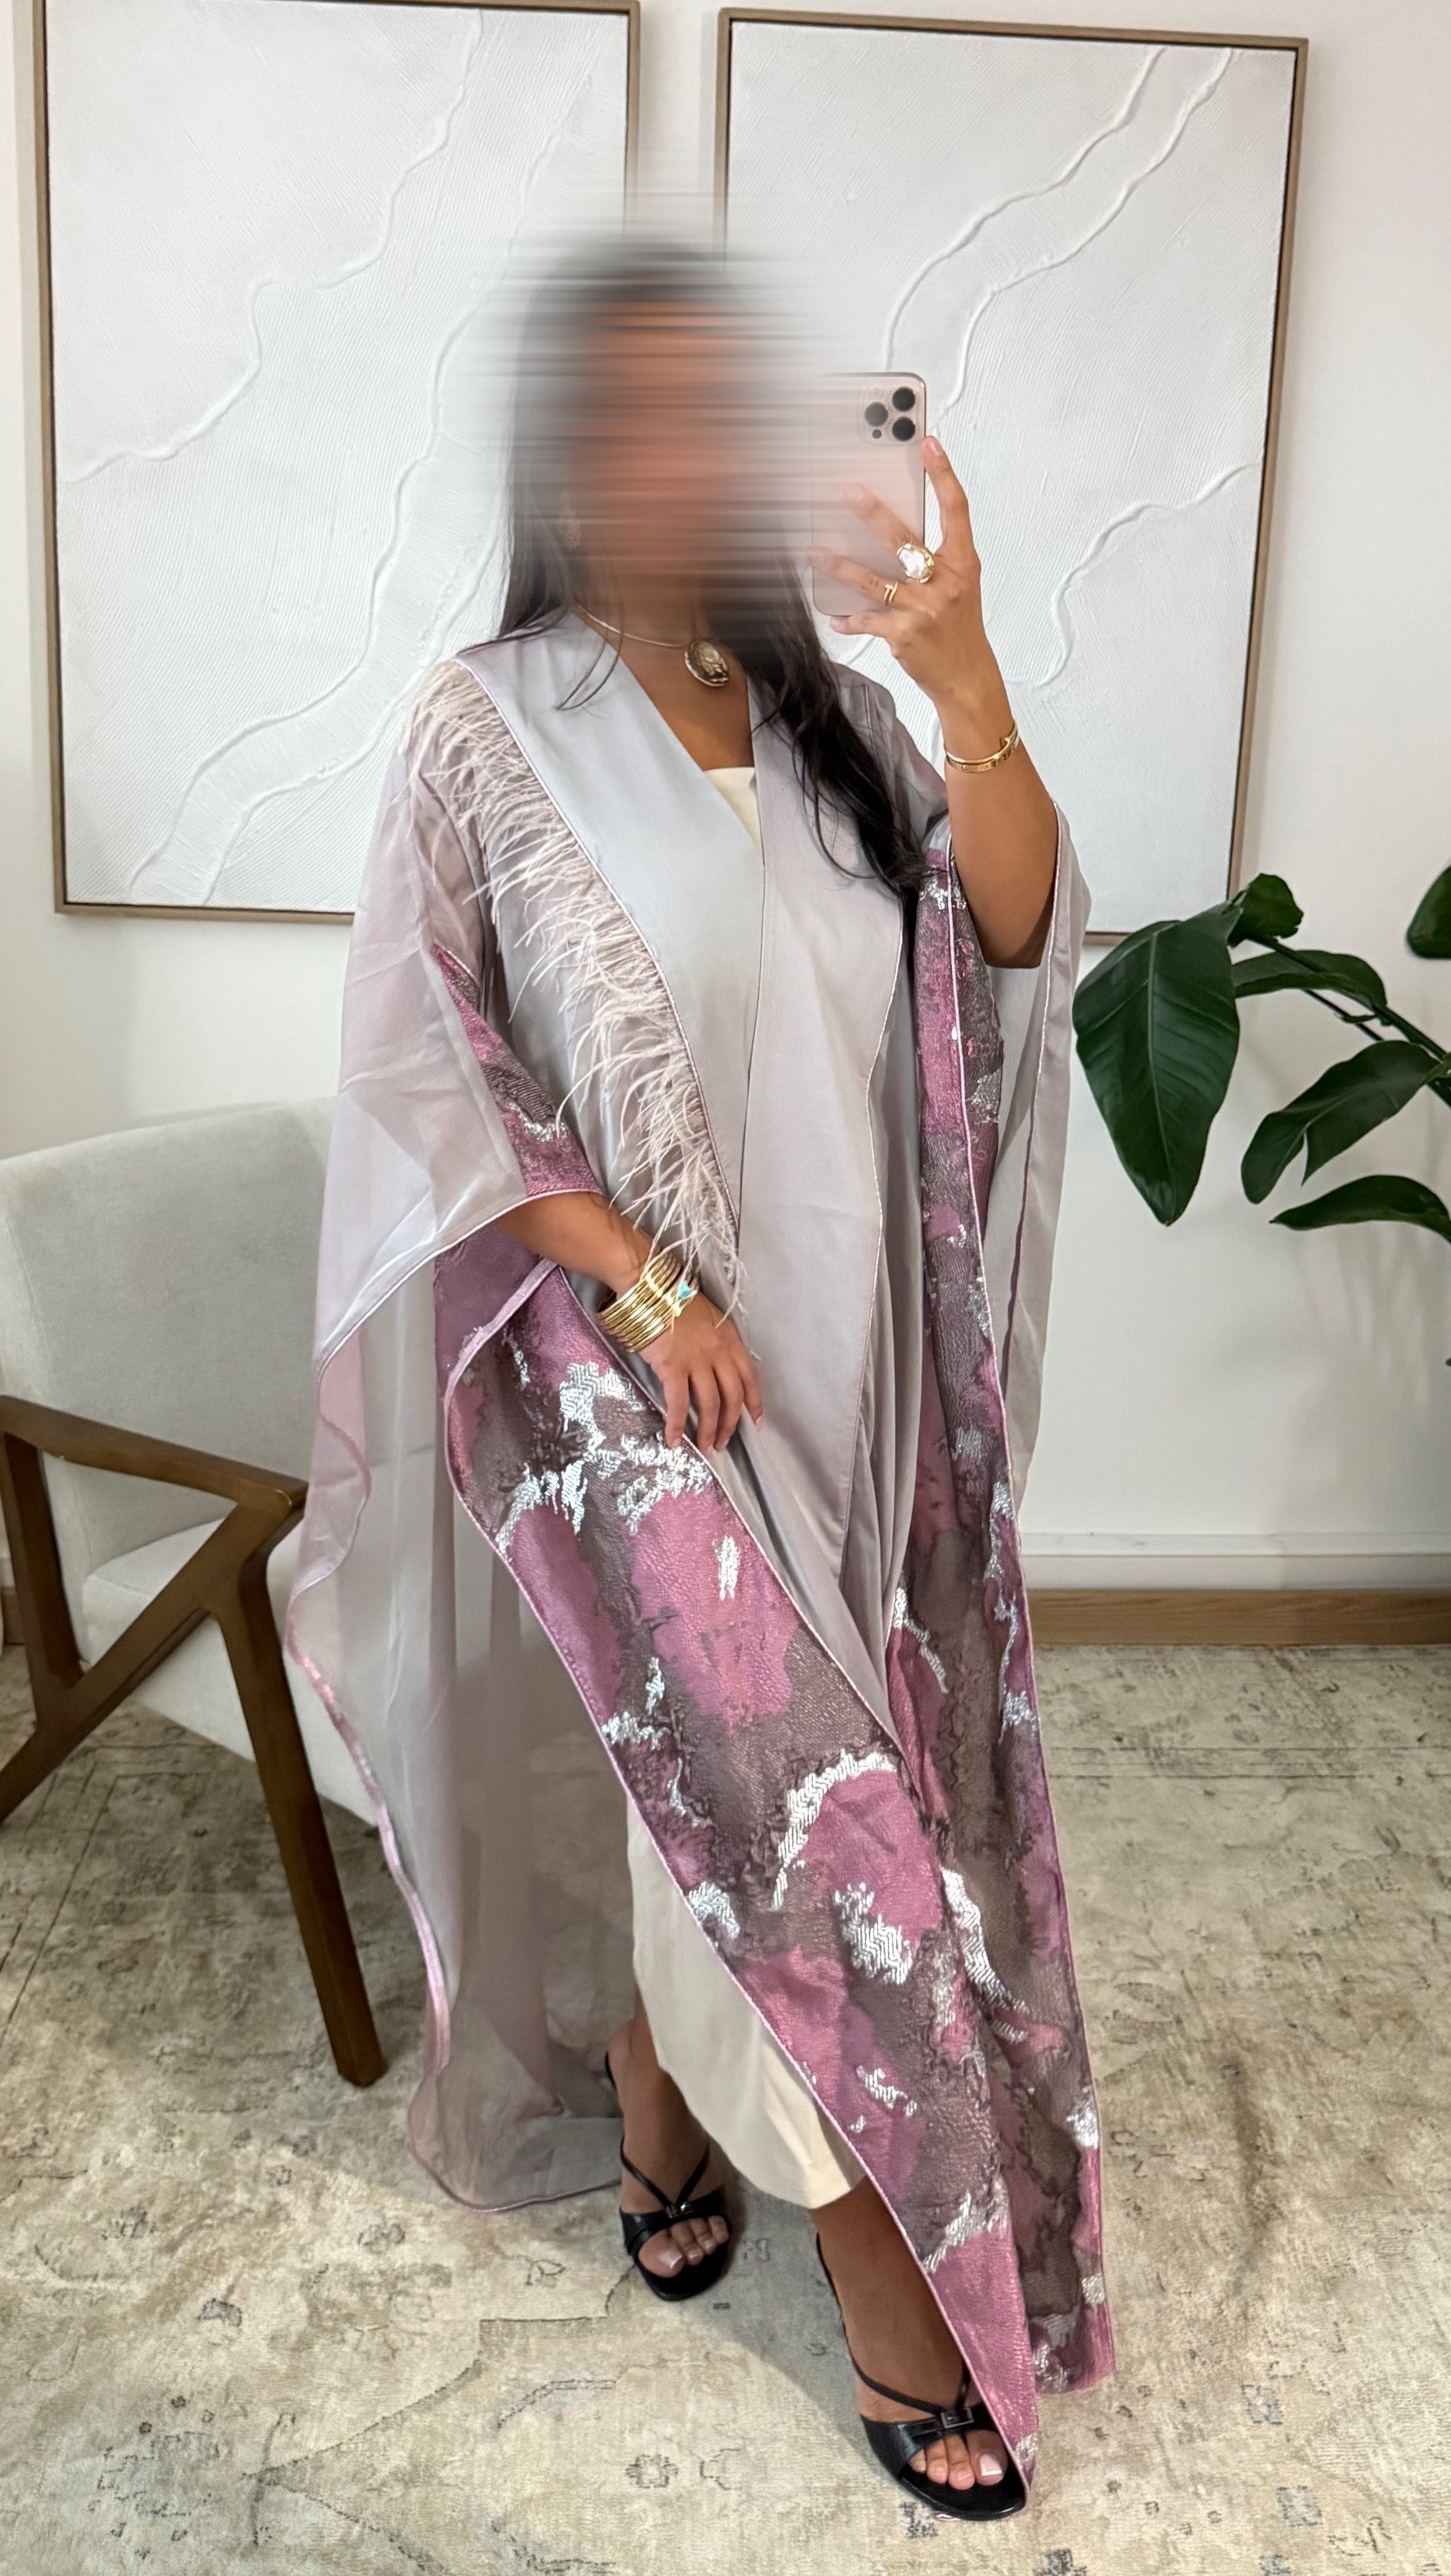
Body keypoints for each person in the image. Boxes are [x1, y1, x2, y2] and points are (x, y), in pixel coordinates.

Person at [288, 241, 1111, 2521]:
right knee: (806, 1821)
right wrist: (645, 1288)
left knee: (768, 1791)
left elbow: (1013, 945)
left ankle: (660, 2083)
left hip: (854, 1357)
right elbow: (430, 1068)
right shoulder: (484, 723)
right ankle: (892, 2274)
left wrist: (963, 674)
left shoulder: (827, 713)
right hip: (616, 1366)